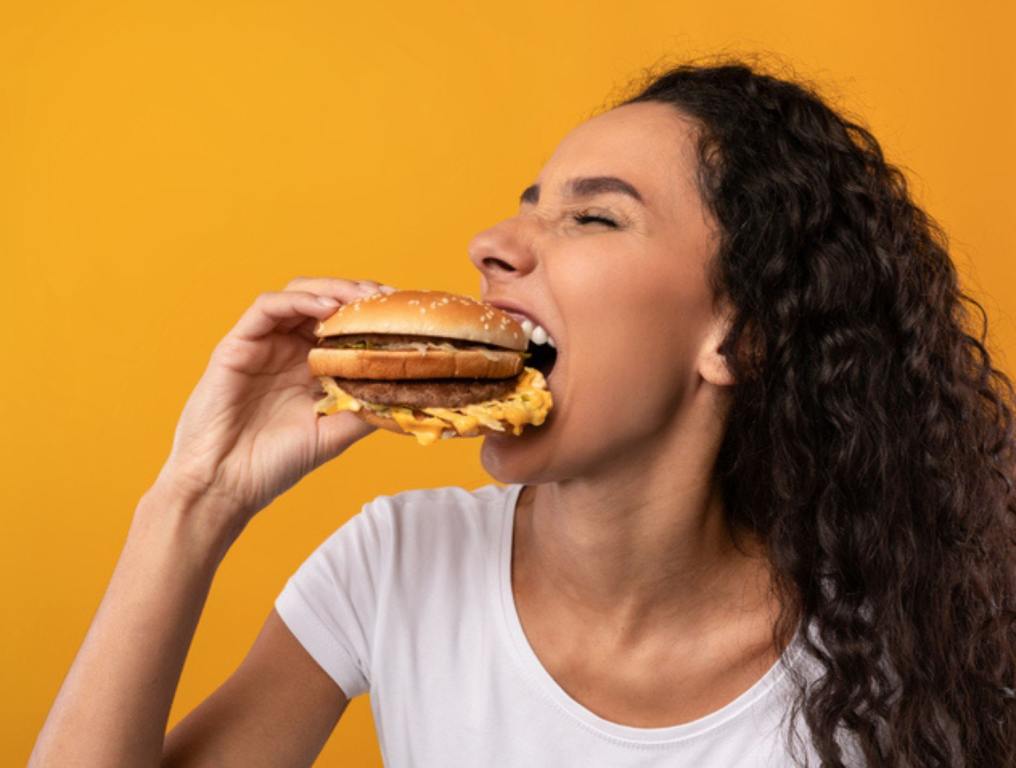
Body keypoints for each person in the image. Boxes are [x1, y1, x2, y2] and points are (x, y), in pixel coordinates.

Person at [31, 57, 1016, 767]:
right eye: (525, 205)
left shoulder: (892, 652)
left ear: (737, 334)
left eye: (592, 216)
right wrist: (194, 497)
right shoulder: (396, 564)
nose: (490, 244)